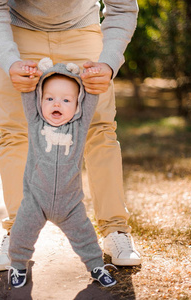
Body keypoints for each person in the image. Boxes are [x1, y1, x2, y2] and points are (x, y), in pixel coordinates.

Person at [0, 0, 142, 272]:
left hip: (83, 31)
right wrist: (9, 60)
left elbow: (122, 7)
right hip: (18, 31)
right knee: (15, 131)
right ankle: (17, 233)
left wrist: (109, 63)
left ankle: (115, 231)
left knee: (99, 130)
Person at [7, 57, 116, 288]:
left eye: (66, 100)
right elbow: (28, 93)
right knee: (21, 232)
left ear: (78, 104)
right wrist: (31, 76)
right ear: (40, 100)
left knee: (85, 235)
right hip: (36, 200)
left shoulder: (79, 125)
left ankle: (96, 265)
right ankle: (17, 264)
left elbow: (91, 97)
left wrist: (91, 76)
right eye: (49, 98)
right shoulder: (36, 122)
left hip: (70, 203)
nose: (57, 104)